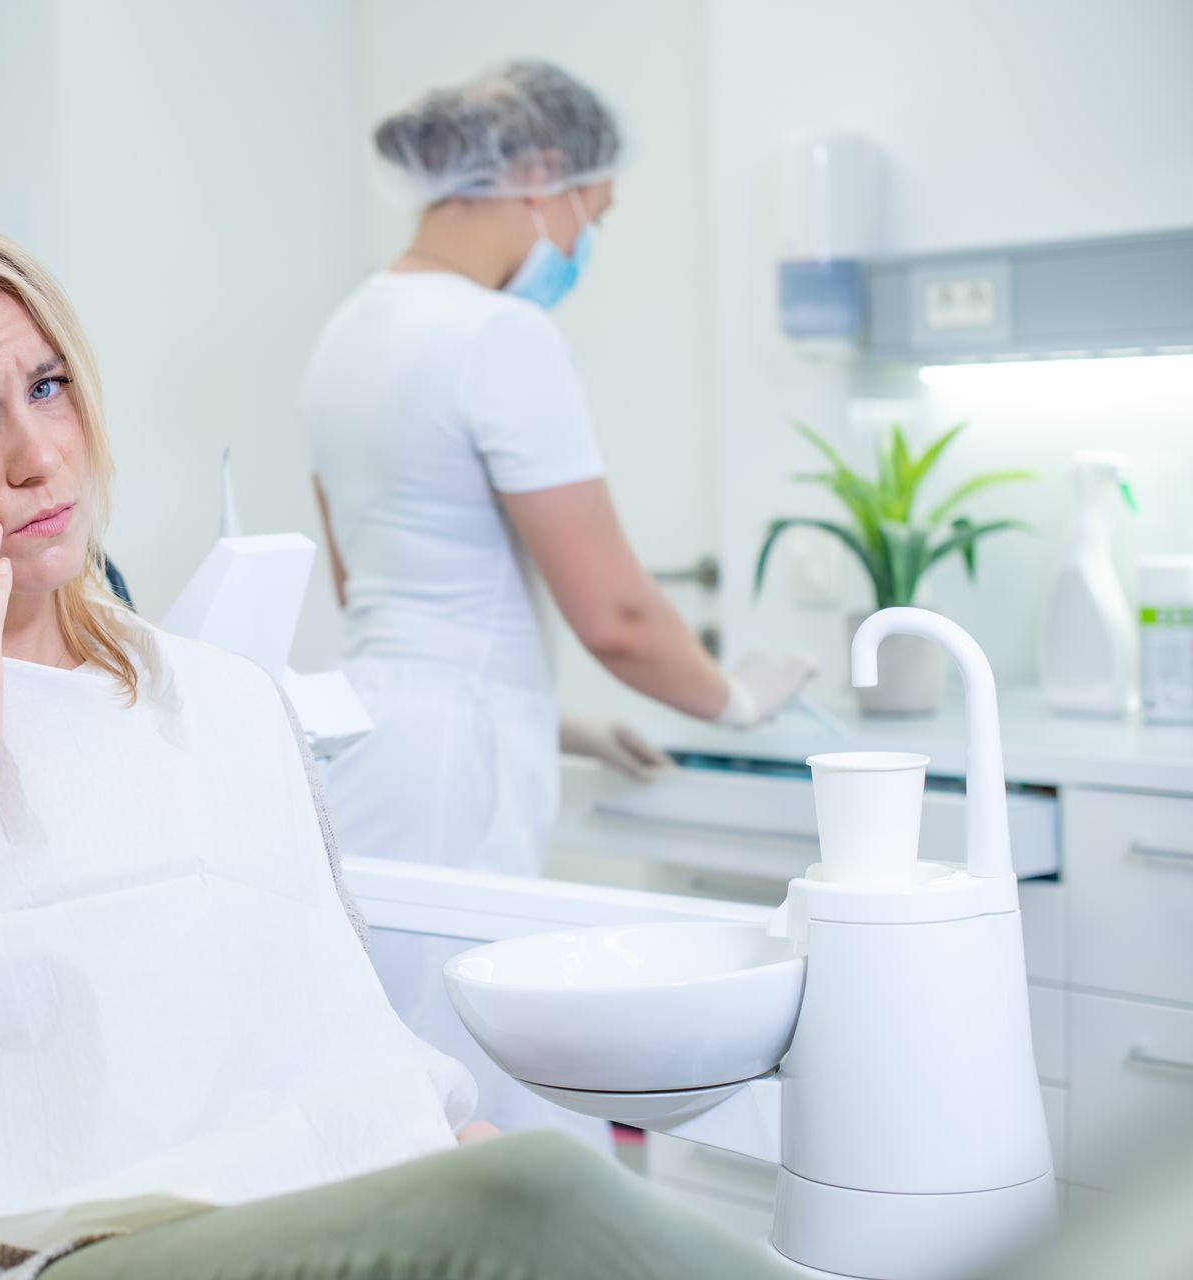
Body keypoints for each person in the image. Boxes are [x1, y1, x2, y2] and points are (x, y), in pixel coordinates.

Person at [0, 207, 786, 1280]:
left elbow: (331, 1029)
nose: (37, 456)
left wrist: (446, 1142)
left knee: (542, 1191)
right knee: (541, 1190)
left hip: (309, 1220)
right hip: (38, 1254)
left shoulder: (226, 700)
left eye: (50, 387)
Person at [300, 61, 814, 1133]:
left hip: (370, 745)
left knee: (382, 1071)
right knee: (474, 1091)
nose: (586, 238)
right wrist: (734, 700)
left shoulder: (349, 329)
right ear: (540, 174)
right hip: (455, 773)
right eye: (595, 207)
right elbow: (617, 614)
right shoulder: (500, 336)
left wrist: (552, 716)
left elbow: (372, 582)